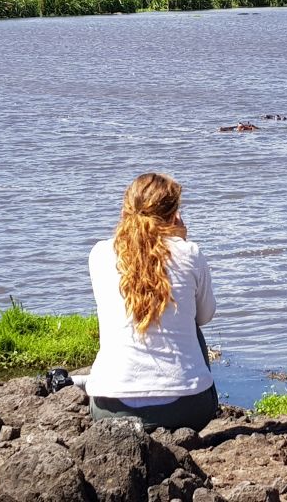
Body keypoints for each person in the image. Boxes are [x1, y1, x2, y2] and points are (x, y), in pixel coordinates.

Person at [84, 173, 218, 432]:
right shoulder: (189, 253)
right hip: (189, 409)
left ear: (125, 211)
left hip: (110, 411)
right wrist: (180, 242)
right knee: (190, 322)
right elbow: (205, 316)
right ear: (173, 215)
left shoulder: (99, 253)